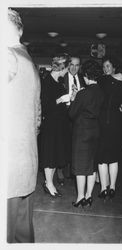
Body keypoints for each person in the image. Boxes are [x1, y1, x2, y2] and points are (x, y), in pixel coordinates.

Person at [6, 9, 41, 243]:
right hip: (25, 159)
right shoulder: (29, 60)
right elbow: (37, 117)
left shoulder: (7, 56)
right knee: (22, 231)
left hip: (7, 161)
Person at [69, 60, 104, 207]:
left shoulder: (83, 93)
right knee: (91, 165)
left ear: (87, 75)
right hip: (95, 131)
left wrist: (73, 99)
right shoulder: (101, 92)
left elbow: (71, 114)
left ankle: (80, 197)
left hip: (82, 132)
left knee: (80, 166)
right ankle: (89, 196)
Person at [97, 56, 122, 200]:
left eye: (108, 66)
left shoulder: (102, 80)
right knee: (114, 157)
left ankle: (103, 188)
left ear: (114, 68)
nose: (106, 69)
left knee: (102, 157)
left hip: (102, 121)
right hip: (116, 122)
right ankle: (112, 188)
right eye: (104, 67)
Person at [40, 53, 71, 197]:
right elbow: (45, 106)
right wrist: (60, 100)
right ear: (62, 67)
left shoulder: (58, 81)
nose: (67, 71)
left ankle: (49, 182)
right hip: (51, 124)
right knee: (49, 155)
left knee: (54, 155)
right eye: (67, 67)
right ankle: (49, 183)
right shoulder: (46, 82)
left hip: (59, 123)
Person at [57, 55, 86, 181]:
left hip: (79, 116)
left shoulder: (82, 79)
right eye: (72, 64)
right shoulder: (61, 78)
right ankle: (60, 170)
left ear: (80, 66)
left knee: (75, 144)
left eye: (77, 65)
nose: (74, 67)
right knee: (63, 142)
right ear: (68, 65)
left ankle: (71, 170)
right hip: (63, 114)